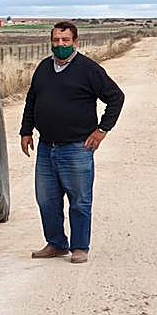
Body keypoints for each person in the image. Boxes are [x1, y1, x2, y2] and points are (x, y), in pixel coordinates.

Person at [19, 22, 125, 264]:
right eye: (56, 40)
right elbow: (31, 100)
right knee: (47, 200)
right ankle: (56, 244)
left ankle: (79, 247)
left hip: (77, 148)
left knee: (79, 200)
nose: (60, 45)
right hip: (46, 148)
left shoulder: (88, 69)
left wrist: (102, 130)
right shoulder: (44, 67)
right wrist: (26, 131)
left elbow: (116, 97)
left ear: (75, 42)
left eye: (65, 41)